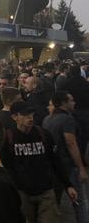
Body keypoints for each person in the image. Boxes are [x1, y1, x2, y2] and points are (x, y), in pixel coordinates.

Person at [2, 101, 78, 223]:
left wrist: (68, 185)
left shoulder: (43, 134)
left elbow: (55, 161)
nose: (30, 117)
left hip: (45, 189)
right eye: (25, 114)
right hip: (22, 191)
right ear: (14, 117)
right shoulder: (9, 138)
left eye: (31, 114)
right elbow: (6, 166)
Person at [43, 91, 89, 222]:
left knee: (55, 201)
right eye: (71, 100)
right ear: (63, 103)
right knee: (79, 201)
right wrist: (81, 168)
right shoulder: (67, 119)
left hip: (54, 167)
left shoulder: (47, 119)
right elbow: (71, 143)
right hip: (68, 165)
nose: (74, 103)